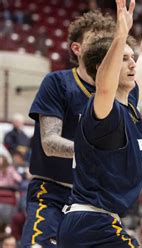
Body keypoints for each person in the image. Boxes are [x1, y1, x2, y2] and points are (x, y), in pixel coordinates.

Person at [57, 0, 142, 246]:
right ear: (103, 68)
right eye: (125, 58)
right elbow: (105, 87)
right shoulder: (103, 110)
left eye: (132, 58)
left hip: (94, 224)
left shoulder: (129, 103)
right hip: (91, 224)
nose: (132, 64)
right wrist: (120, 35)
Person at [21, 10, 116, 247]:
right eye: (97, 42)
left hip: (93, 200)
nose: (104, 48)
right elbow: (50, 143)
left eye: (109, 43)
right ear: (77, 48)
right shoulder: (57, 83)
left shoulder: (116, 94)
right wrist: (94, 151)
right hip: (51, 192)